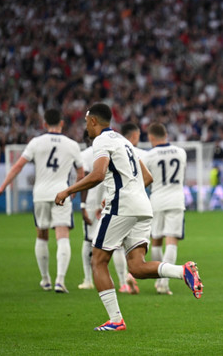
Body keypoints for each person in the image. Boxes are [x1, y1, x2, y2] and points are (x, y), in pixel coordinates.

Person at [54, 103, 203, 331]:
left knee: (98, 260)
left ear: (93, 120)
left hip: (122, 206)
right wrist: (127, 193)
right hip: (142, 206)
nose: (87, 128)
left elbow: (98, 174)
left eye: (86, 123)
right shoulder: (123, 141)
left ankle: (116, 320)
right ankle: (182, 270)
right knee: (137, 267)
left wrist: (68, 190)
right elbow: (147, 176)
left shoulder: (101, 141)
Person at [0, 109, 84, 293]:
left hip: (40, 194)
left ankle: (45, 280)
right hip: (61, 193)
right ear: (62, 123)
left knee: (41, 235)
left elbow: (18, 166)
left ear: (44, 123)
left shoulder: (36, 142)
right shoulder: (72, 145)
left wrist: (2, 187)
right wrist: (73, 190)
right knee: (62, 235)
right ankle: (60, 281)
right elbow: (81, 173)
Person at [144, 122, 188, 295]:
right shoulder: (181, 152)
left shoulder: (149, 155)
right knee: (172, 241)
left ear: (151, 137)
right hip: (176, 199)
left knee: (156, 240)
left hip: (156, 200)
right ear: (166, 135)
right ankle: (164, 283)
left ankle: (159, 279)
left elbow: (145, 178)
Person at [114, 121, 147, 294]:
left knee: (116, 244)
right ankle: (133, 275)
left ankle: (123, 282)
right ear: (134, 135)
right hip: (140, 203)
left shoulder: (115, 150)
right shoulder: (141, 153)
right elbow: (148, 178)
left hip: (120, 202)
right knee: (136, 243)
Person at [78, 130, 105, 290]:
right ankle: (123, 281)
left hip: (91, 201)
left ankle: (88, 280)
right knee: (114, 243)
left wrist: (82, 206)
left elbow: (85, 181)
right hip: (107, 200)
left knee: (88, 240)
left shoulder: (85, 154)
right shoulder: (108, 150)